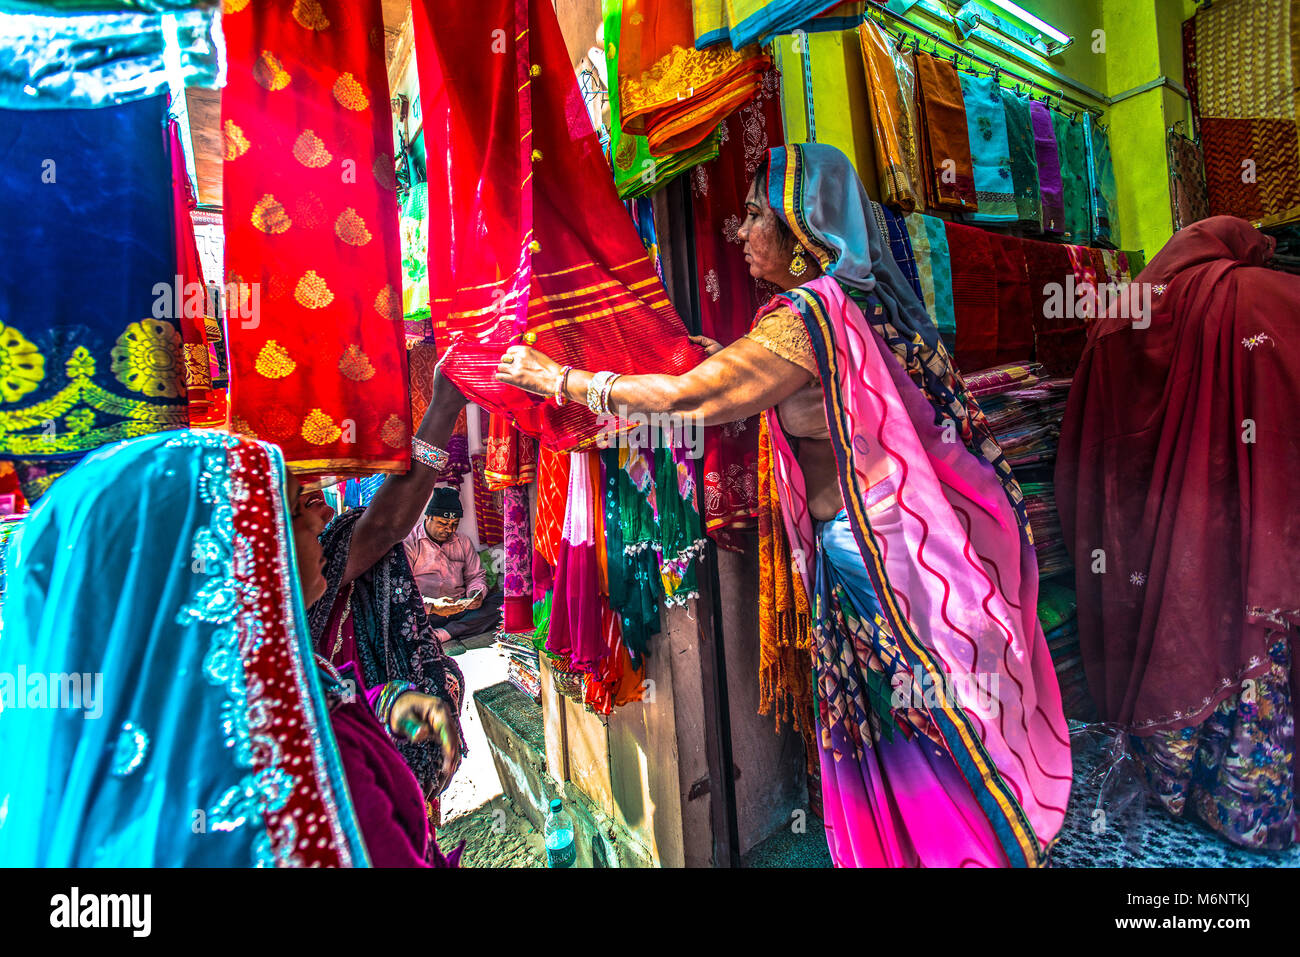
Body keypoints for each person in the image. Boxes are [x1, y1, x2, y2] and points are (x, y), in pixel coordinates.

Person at [495, 142, 1071, 867]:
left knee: (916, 715)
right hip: (888, 543)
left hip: (880, 554)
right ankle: (942, 841)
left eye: (755, 215)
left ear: (805, 231)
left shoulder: (804, 318)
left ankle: (961, 847)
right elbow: (767, 376)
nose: (738, 231)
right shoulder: (847, 298)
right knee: (907, 708)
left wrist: (563, 378)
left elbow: (690, 402)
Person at [0, 430, 460, 867]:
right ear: (227, 555)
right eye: (297, 509)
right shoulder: (293, 767)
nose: (322, 519)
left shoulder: (161, 719)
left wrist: (379, 706)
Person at [1056, 215, 1299, 850]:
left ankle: (1173, 782)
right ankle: (1247, 807)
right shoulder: (1264, 297)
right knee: (1245, 637)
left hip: (1151, 527)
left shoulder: (1122, 311)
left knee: (1180, 624)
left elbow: (1093, 439)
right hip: (1247, 511)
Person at [305, 366, 472, 815]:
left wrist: (390, 703)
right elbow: (386, 524)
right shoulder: (267, 632)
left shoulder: (292, 627)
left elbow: (335, 701)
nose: (324, 508)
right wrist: (442, 408)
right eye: (303, 505)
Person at [404, 486, 504, 639]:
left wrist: (475, 593)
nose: (449, 529)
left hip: (459, 607)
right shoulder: (409, 543)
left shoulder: (462, 541)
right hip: (427, 612)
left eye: (454, 524)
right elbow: (404, 589)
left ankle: (445, 634)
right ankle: (454, 630)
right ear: (428, 516)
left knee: (503, 601)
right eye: (443, 523)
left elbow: (475, 576)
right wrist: (434, 605)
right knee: (403, 617)